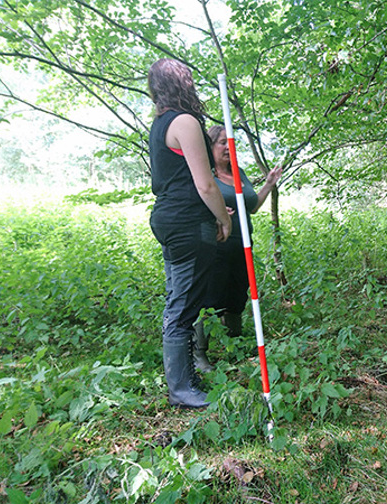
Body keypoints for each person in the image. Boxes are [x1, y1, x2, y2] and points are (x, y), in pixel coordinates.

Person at [147, 58, 231, 409]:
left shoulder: (159, 123)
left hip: (168, 218)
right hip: (186, 222)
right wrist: (223, 220)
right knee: (182, 305)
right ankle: (181, 388)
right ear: (183, 84)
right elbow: (205, 184)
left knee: (177, 298)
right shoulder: (185, 121)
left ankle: (183, 378)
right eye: (190, 80)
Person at [191, 125, 283, 372]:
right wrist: (216, 213)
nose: (227, 148)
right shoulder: (205, 174)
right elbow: (197, 203)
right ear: (210, 147)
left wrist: (269, 183)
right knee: (209, 298)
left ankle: (235, 346)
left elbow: (251, 207)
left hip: (243, 244)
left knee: (236, 295)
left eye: (230, 143)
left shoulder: (239, 173)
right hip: (215, 245)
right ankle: (199, 355)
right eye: (222, 143)